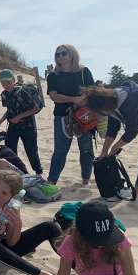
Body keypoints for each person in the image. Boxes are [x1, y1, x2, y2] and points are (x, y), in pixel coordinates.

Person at [46, 44, 95, 185]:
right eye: (57, 54)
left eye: (64, 53)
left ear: (72, 54)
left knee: (86, 149)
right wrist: (74, 99)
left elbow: (92, 91)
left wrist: (82, 100)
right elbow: (54, 96)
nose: (60, 56)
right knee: (60, 151)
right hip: (62, 116)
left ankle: (86, 180)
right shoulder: (53, 75)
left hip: (84, 115)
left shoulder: (84, 71)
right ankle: (51, 182)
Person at [87, 82, 138, 197]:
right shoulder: (111, 101)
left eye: (98, 112)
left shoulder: (130, 100)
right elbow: (113, 128)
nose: (98, 116)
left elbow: (132, 131)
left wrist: (115, 147)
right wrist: (104, 151)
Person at [0, 69, 43, 176]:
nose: (6, 85)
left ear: (13, 80)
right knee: (9, 149)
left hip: (28, 125)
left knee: (31, 150)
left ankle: (39, 173)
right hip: (13, 125)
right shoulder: (4, 94)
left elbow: (36, 108)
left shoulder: (23, 92)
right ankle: (13, 173)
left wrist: (19, 117)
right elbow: (9, 110)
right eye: (3, 83)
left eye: (8, 82)